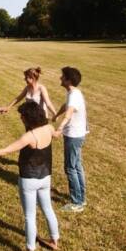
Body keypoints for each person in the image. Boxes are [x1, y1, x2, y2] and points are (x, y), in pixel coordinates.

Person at [0, 101, 60, 251]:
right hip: (46, 177)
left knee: (30, 216)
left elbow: (5, 150)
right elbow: (56, 133)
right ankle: (54, 241)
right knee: (48, 209)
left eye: (22, 115)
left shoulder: (29, 137)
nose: (20, 118)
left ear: (29, 118)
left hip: (29, 180)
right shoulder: (49, 128)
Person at [53, 66, 89, 213]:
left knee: (70, 168)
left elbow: (69, 114)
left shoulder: (74, 95)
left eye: (62, 76)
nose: (60, 78)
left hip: (73, 136)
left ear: (68, 80)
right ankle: (81, 198)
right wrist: (56, 114)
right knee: (77, 166)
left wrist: (59, 129)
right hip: (78, 134)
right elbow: (65, 106)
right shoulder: (73, 93)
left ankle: (77, 202)